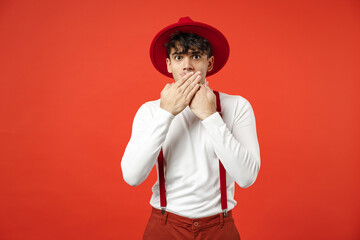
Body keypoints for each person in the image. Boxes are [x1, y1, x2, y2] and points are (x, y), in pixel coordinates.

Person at [121, 16, 261, 240]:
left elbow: (246, 178)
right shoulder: (150, 111)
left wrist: (210, 115)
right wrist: (166, 113)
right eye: (178, 57)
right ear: (169, 64)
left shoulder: (237, 107)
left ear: (210, 63)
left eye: (196, 56)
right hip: (165, 225)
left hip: (219, 227)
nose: (187, 65)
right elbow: (132, 176)